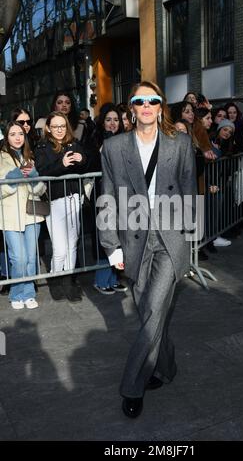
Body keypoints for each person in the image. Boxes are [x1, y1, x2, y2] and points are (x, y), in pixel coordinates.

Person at [98, 81, 197, 418]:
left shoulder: (180, 143)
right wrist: (111, 245)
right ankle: (165, 367)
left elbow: (187, 188)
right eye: (139, 100)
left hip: (170, 239)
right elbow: (107, 199)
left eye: (152, 100)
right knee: (149, 314)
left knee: (153, 310)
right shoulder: (113, 148)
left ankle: (132, 385)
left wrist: (188, 237)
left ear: (160, 106)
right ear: (131, 107)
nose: (146, 106)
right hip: (133, 240)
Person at [35, 112, 87, 302]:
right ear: (48, 127)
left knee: (73, 244)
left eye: (62, 126)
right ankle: (55, 278)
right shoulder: (42, 147)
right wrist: (62, 163)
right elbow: (42, 171)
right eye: (55, 126)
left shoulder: (74, 143)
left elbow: (86, 164)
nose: (59, 130)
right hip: (55, 201)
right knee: (60, 248)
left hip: (75, 198)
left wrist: (82, 160)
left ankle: (68, 281)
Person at [0, 122, 46, 310]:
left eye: (21, 134)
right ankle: (16, 293)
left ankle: (28, 293)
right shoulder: (1, 158)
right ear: (6, 137)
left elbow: (41, 189)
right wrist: (14, 177)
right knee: (17, 258)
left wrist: (34, 176)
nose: (18, 137)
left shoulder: (30, 157)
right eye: (13, 134)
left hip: (31, 215)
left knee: (30, 257)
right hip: (10, 216)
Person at [90, 103, 127, 295]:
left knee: (118, 236)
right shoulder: (95, 140)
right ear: (102, 122)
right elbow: (91, 165)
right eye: (108, 120)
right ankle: (101, 279)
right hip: (102, 194)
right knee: (106, 235)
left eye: (116, 120)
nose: (112, 123)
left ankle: (114, 278)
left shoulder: (125, 140)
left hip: (121, 195)